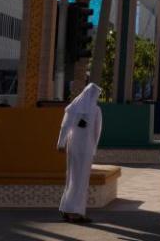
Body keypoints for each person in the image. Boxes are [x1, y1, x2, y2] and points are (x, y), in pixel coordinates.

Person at [57, 83, 103, 224]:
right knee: (81, 180)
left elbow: (65, 126)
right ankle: (75, 213)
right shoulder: (95, 110)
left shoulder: (74, 107)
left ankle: (67, 209)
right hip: (85, 148)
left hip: (73, 146)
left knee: (71, 177)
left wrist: (61, 143)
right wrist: (93, 147)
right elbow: (97, 131)